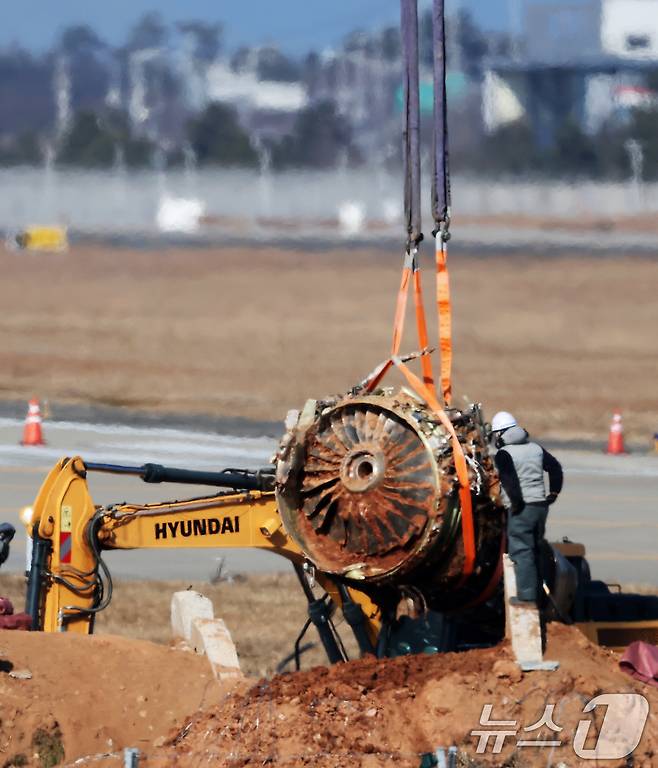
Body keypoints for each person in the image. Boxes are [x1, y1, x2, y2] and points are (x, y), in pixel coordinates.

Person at [491, 412, 563, 607]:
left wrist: (515, 504)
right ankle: (540, 595)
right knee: (536, 548)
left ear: (500, 435)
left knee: (521, 551)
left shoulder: (504, 454)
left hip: (523, 508)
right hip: (540, 507)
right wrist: (553, 493)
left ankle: (527, 597)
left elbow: (509, 481)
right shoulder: (536, 448)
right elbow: (555, 468)